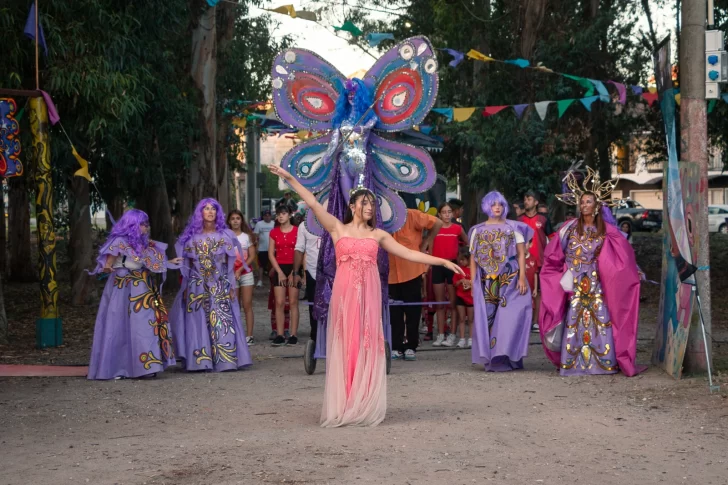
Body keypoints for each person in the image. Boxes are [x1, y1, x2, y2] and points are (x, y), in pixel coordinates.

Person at [269, 163, 463, 427]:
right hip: (345, 296)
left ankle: (364, 401)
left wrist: (441, 261)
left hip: (369, 298)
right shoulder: (338, 228)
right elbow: (313, 203)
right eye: (365, 202)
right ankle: (346, 402)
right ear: (352, 206)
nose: (370, 207)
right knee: (346, 344)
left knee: (367, 344)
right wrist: (289, 177)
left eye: (372, 203)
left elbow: (408, 253)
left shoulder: (379, 234)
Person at [539, 169, 642, 376]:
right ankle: (573, 363)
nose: (584, 205)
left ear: (596, 206)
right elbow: (553, 255)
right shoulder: (568, 229)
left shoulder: (607, 231)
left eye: (588, 202)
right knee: (574, 318)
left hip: (597, 283)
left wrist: (633, 272)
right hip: (575, 283)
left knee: (600, 319)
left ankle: (602, 363)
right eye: (582, 202)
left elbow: (623, 256)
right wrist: (559, 275)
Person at [88, 209, 181, 380]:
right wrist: (107, 267)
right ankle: (118, 367)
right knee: (119, 325)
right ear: (133, 224)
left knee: (145, 326)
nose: (146, 227)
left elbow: (150, 263)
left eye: (146, 224)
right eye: (143, 224)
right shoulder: (118, 242)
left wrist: (168, 262)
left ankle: (147, 365)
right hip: (123, 287)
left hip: (143, 288)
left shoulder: (143, 244)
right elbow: (107, 264)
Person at [169, 198, 252, 372]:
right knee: (197, 321)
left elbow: (230, 264)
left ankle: (225, 361)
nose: (210, 212)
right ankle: (200, 361)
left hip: (219, 283)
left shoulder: (226, 235)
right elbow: (187, 266)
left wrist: (230, 286)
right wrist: (184, 287)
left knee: (221, 319)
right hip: (196, 285)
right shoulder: (190, 236)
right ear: (200, 213)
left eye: (213, 209)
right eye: (206, 209)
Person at [469, 192, 533, 371]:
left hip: (511, 278)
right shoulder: (477, 231)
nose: (497, 207)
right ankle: (492, 357)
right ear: (486, 206)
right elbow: (473, 258)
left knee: (509, 318)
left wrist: (521, 277)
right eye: (493, 204)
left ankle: (508, 355)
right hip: (486, 279)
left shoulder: (514, 228)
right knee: (489, 317)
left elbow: (521, 254)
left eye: (500, 204)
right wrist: (473, 282)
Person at [388, 208, 442, 361]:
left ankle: (411, 346)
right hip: (390, 273)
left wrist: (428, 240)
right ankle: (396, 346)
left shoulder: (411, 214)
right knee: (394, 312)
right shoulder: (381, 216)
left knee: (413, 311)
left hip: (412, 270)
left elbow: (437, 222)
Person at [431, 202, 468, 347]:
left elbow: (467, 243)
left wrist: (463, 259)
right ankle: (440, 334)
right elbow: (429, 245)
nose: (447, 214)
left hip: (452, 266)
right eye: (444, 212)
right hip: (438, 265)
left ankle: (452, 335)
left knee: (453, 303)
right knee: (440, 303)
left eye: (449, 212)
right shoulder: (434, 228)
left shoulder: (458, 228)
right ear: (439, 214)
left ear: (453, 214)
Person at [518, 190, 553, 331]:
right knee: (522, 290)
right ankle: (523, 320)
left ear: (536, 202)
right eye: (525, 198)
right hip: (522, 261)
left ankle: (536, 321)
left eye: (530, 198)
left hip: (539, 261)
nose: (526, 201)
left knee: (538, 293)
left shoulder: (544, 219)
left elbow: (552, 237)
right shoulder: (519, 220)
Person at [269, 204, 300, 346]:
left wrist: (296, 271)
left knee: (293, 302)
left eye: (284, 213)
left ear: (290, 215)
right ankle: (280, 334)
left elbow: (301, 252)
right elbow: (270, 253)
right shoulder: (274, 232)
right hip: (279, 267)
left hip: (294, 268)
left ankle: (293, 334)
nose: (281, 216)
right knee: (280, 302)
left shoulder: (298, 231)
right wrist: (279, 272)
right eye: (278, 214)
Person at [228, 209, 256, 345]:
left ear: (241, 220)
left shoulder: (247, 237)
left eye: (237, 218)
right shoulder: (225, 237)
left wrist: (240, 269)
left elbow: (251, 256)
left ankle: (249, 335)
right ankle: (236, 335)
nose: (235, 221)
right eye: (232, 218)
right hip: (230, 275)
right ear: (229, 221)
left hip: (246, 273)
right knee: (234, 306)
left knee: (247, 304)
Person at [293, 221, 322, 343]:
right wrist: (295, 273)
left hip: (335, 273)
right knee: (314, 307)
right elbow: (299, 249)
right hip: (312, 272)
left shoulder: (336, 220)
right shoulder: (304, 225)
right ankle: (315, 339)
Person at [451, 247, 474, 349]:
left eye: (463, 259)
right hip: (460, 297)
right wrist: (461, 281)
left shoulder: (474, 270)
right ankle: (461, 339)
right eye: (459, 259)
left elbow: (478, 283)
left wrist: (470, 284)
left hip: (471, 297)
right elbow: (454, 283)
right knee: (461, 318)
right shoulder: (458, 270)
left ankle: (471, 339)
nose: (461, 261)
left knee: (471, 319)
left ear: (469, 259)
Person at [253, 210, 275, 287]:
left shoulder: (274, 224)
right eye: (265, 215)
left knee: (272, 265)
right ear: (263, 216)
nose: (267, 217)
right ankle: (260, 280)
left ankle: (272, 281)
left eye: (269, 215)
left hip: (273, 249)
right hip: (262, 248)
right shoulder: (259, 224)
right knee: (261, 265)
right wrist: (256, 246)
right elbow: (256, 236)